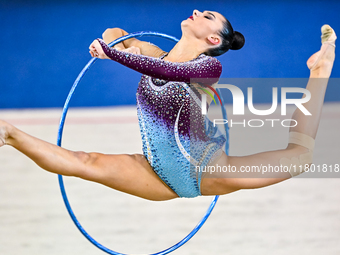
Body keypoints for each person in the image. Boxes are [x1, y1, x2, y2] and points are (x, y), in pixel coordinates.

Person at [0, 10, 336, 201]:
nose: (195, 12)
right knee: (84, 161)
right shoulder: (151, 55)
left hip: (207, 170)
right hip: (155, 173)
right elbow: (116, 31)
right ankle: (9, 134)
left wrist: (114, 54)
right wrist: (119, 43)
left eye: (206, 16)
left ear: (214, 40)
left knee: (302, 158)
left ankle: (319, 70)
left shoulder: (209, 69)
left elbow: (169, 71)